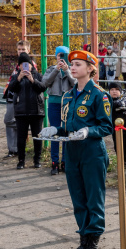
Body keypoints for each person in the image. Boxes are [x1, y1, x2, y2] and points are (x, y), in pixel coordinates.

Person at [40, 49, 113, 249]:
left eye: (79, 64)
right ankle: (83, 241)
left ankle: (93, 244)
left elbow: (106, 126)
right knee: (78, 199)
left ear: (90, 69)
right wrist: (55, 130)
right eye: (72, 64)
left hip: (92, 153)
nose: (73, 67)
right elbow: (67, 127)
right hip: (71, 153)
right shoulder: (68, 95)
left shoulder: (100, 94)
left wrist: (89, 131)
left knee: (94, 199)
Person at [9, 52, 45, 170]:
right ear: (19, 66)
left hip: (36, 111)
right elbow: (12, 89)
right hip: (21, 112)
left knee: (37, 136)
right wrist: (19, 78)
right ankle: (21, 161)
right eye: (22, 64)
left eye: (27, 64)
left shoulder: (38, 75)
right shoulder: (15, 77)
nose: (25, 66)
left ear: (31, 65)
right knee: (21, 137)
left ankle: (37, 160)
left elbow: (42, 88)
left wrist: (32, 79)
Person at [42, 46, 75, 175]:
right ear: (56, 56)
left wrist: (67, 71)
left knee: (66, 132)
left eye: (64, 55)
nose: (61, 58)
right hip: (54, 104)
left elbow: (76, 83)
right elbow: (45, 83)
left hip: (67, 104)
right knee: (54, 131)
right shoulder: (51, 69)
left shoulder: (72, 69)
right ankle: (54, 162)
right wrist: (56, 69)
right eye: (59, 55)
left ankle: (65, 161)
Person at [2, 39, 34, 158]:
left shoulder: (30, 64)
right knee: (9, 121)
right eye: (19, 50)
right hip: (11, 95)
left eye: (23, 49)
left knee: (9, 120)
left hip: (20, 97)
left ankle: (25, 128)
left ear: (28, 50)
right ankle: (12, 149)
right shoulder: (17, 64)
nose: (21, 52)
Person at [108, 81, 126, 165]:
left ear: (120, 91)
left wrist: (114, 105)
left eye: (117, 89)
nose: (114, 91)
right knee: (117, 145)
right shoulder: (106, 99)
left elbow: (123, 103)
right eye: (112, 89)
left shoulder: (125, 97)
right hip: (115, 127)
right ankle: (122, 162)